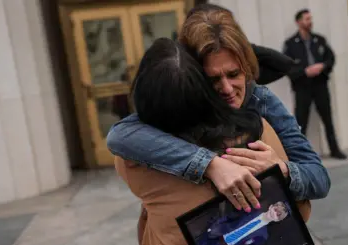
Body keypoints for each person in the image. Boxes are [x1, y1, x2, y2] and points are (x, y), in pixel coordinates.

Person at [107, 6, 330, 213]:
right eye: (213, 79)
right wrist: (211, 165)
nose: (226, 88)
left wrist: (281, 169)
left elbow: (319, 178)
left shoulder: (260, 99)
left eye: (234, 74)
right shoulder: (184, 101)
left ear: (248, 68)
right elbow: (120, 135)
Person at [115, 37, 307, 245]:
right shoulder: (256, 132)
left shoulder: (135, 163)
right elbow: (301, 213)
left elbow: (121, 137)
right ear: (203, 89)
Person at [283, 9, 347, 160]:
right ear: (298, 22)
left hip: (320, 86)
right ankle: (298, 155)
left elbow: (330, 59)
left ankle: (335, 150)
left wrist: (322, 67)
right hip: (302, 88)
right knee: (300, 122)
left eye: (310, 19)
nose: (309, 22)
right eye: (306, 19)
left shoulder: (320, 40)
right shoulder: (291, 44)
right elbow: (287, 67)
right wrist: (304, 71)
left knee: (328, 119)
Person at [197, 201, 290, 245]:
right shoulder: (251, 209)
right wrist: (214, 226)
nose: (274, 214)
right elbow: (230, 217)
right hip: (214, 236)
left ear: (278, 220)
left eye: (278, 215)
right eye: (275, 209)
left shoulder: (263, 236)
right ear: (271, 206)